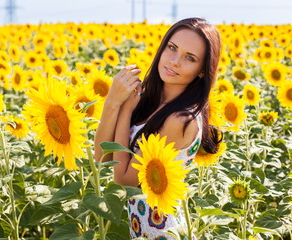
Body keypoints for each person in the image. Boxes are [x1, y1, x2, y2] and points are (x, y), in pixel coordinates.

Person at [94, 17, 222, 239]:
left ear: (202, 71)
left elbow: (124, 181)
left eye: (189, 58)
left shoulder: (180, 119)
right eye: (172, 48)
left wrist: (122, 109)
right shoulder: (151, 102)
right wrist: (112, 103)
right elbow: (102, 157)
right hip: (141, 228)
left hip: (161, 231)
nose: (174, 61)